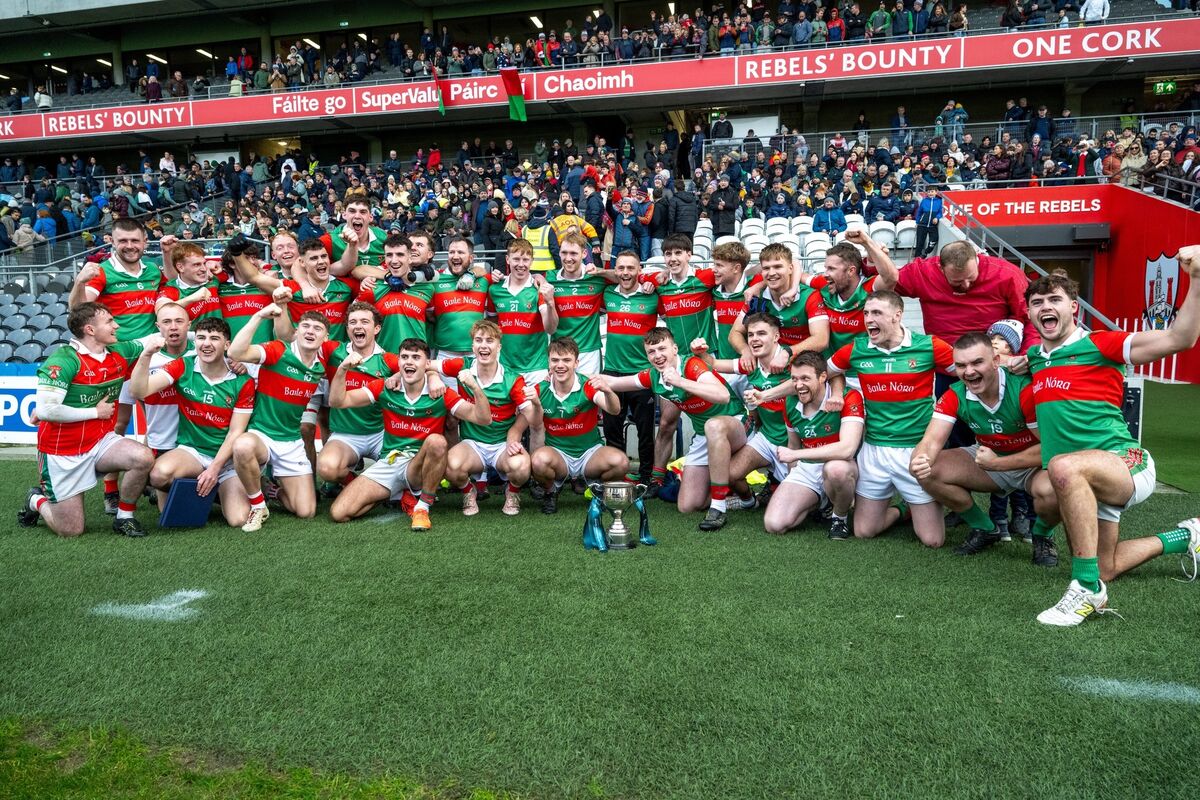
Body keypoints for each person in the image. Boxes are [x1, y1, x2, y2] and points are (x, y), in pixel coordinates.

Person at [1017, 255, 1200, 626]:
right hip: (1082, 481)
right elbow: (1028, 359)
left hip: (1124, 461)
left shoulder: (1103, 344)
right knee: (1108, 564)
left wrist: (1196, 278)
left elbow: (1180, 338)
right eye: (1037, 303)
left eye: (1054, 300)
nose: (1044, 308)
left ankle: (1086, 589)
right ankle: (1187, 535)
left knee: (1061, 466)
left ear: (1073, 307)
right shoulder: (1036, 357)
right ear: (1030, 313)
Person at [909, 333, 1057, 566]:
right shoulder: (956, 394)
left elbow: (1052, 447)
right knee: (928, 469)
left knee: (1056, 485)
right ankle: (985, 528)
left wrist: (999, 464)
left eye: (977, 362)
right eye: (961, 365)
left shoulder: (1023, 390)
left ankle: (1042, 535)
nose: (969, 371)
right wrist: (921, 458)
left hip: (1032, 466)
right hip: (989, 460)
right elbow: (932, 441)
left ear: (996, 361)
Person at [827, 291, 956, 547]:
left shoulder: (929, 346)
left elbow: (968, 371)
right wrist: (839, 392)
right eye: (866, 313)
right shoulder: (857, 348)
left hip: (915, 450)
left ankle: (920, 503)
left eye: (876, 313)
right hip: (875, 450)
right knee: (864, 530)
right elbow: (827, 372)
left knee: (933, 540)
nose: (868, 319)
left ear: (898, 315)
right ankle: (902, 510)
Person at [18, 303, 155, 538]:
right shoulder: (63, 360)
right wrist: (95, 412)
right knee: (71, 530)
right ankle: (36, 500)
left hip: (101, 442)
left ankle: (124, 517)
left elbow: (155, 338)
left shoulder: (120, 351)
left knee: (142, 457)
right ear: (90, 330)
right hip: (62, 452)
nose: (117, 325)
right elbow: (46, 410)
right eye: (110, 322)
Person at [328, 338, 491, 531]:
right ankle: (397, 493)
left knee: (436, 442)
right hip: (389, 462)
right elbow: (338, 401)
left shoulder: (440, 393)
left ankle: (422, 507)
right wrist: (343, 369)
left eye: (416, 357)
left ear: (426, 364)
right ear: (398, 363)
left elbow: (483, 418)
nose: (409, 361)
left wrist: (475, 388)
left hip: (420, 466)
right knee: (339, 513)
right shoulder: (385, 387)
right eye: (404, 357)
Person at [597, 328, 746, 531]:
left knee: (713, 425)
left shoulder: (691, 365)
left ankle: (719, 507)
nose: (657, 356)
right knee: (687, 505)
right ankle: (736, 494)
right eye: (651, 351)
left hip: (734, 423)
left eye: (662, 349)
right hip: (705, 435)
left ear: (675, 349)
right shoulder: (653, 375)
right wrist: (571, 375)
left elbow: (722, 395)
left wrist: (680, 381)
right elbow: (615, 382)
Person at [68, 218, 165, 514]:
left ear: (145, 242)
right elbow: (77, 311)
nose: (129, 246)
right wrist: (80, 281)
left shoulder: (152, 271)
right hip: (118, 361)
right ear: (112, 240)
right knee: (116, 425)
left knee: (158, 423)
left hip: (152, 358)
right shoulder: (103, 272)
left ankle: (149, 479)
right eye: (123, 240)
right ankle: (111, 491)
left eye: (135, 240)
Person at [128, 317, 256, 528]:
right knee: (158, 475)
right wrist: (147, 354)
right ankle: (208, 488)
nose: (206, 343)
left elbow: (235, 433)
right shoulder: (183, 365)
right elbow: (139, 391)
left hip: (228, 461)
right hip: (193, 452)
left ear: (227, 345)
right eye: (201, 338)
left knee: (238, 519)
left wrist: (214, 470)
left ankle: (227, 487)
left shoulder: (243, 381)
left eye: (214, 338)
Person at [227, 304, 337, 532]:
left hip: (290, 441)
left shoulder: (322, 364)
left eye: (317, 328)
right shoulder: (279, 350)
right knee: (242, 446)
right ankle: (258, 505)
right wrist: (258, 316)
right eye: (305, 326)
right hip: (262, 434)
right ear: (295, 332)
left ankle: (270, 490)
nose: (310, 331)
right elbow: (235, 353)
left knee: (306, 511)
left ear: (325, 337)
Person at [439, 321, 536, 516]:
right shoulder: (462, 366)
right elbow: (426, 365)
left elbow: (530, 415)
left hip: (501, 444)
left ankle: (513, 491)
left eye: (489, 341)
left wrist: (514, 434)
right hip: (472, 444)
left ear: (499, 346)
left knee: (522, 467)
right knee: (449, 466)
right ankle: (469, 490)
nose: (484, 345)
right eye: (478, 340)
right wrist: (433, 378)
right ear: (472, 346)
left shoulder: (512, 378)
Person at [767, 352, 865, 538]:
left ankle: (839, 518)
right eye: (794, 379)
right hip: (808, 467)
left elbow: (847, 449)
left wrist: (797, 455)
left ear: (822, 377)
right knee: (774, 524)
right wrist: (792, 477)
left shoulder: (849, 397)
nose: (798, 385)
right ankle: (821, 502)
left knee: (836, 470)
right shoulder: (790, 402)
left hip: (842, 464)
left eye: (805, 378)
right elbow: (793, 445)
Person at [528, 338, 629, 514]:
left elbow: (614, 410)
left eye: (566, 360)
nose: (560, 365)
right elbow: (534, 424)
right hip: (559, 454)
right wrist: (536, 405)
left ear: (576, 363)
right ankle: (551, 491)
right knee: (537, 461)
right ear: (548, 362)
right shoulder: (539, 389)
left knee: (620, 462)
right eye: (555, 360)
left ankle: (598, 490)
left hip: (589, 453)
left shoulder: (587, 385)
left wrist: (608, 390)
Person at [314, 302, 400, 491]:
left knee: (407, 468)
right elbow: (297, 342)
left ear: (376, 328)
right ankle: (353, 484)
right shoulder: (333, 351)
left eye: (364, 322)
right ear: (347, 328)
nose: (358, 326)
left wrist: (398, 375)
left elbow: (419, 368)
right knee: (327, 468)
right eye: (352, 322)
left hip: (380, 433)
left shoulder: (387, 359)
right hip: (346, 435)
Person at [600, 251, 659, 487]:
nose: (625, 273)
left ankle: (645, 478)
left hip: (642, 374)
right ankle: (617, 477)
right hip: (612, 372)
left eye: (631, 268)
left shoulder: (653, 297)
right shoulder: (607, 294)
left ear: (639, 271)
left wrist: (654, 281)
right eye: (621, 268)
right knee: (612, 429)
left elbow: (666, 279)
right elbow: (594, 276)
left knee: (645, 431)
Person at [913, 186, 943, 259]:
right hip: (922, 225)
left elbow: (940, 212)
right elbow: (919, 212)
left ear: (936, 192)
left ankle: (925, 252)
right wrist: (917, 222)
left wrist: (937, 217)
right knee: (919, 243)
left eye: (932, 191)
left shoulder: (939, 201)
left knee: (934, 240)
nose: (930, 193)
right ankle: (917, 258)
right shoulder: (924, 200)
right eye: (928, 191)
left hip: (932, 226)